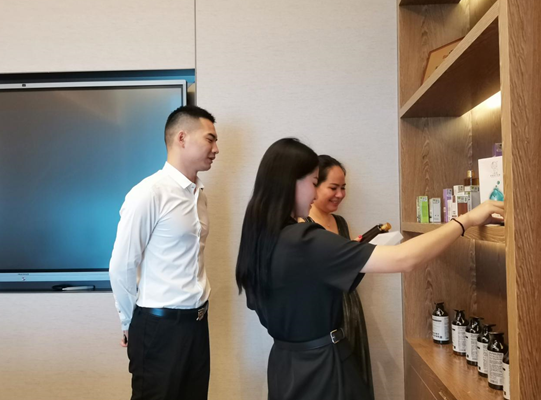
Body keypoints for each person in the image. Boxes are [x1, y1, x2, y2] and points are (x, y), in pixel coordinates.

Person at [235, 138, 503, 400]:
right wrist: (466, 220)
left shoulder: (260, 239)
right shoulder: (304, 240)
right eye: (314, 183)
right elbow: (406, 259)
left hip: (284, 366)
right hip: (321, 370)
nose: (315, 194)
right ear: (291, 182)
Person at [109, 105, 219, 400]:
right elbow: (122, 265)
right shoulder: (149, 193)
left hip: (198, 325)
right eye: (210, 139)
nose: (216, 149)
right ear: (182, 137)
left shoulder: (199, 195)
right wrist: (128, 323)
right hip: (158, 328)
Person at [306, 155, 375, 400]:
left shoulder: (341, 223)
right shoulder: (303, 225)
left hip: (350, 310)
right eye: (333, 187)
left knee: (354, 383)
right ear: (314, 185)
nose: (340, 194)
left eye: (343, 187)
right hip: (322, 316)